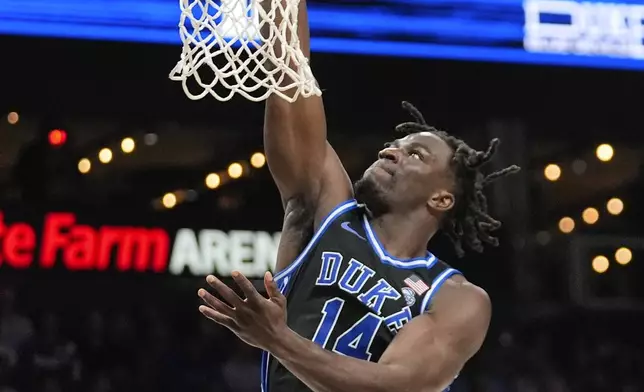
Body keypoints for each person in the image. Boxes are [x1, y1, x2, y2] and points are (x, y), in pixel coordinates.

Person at [197, 0, 519, 391]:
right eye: (393, 144)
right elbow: (290, 71)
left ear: (441, 199)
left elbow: (396, 385)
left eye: (414, 153)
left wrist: (276, 339)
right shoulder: (325, 208)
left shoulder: (455, 298)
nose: (390, 151)